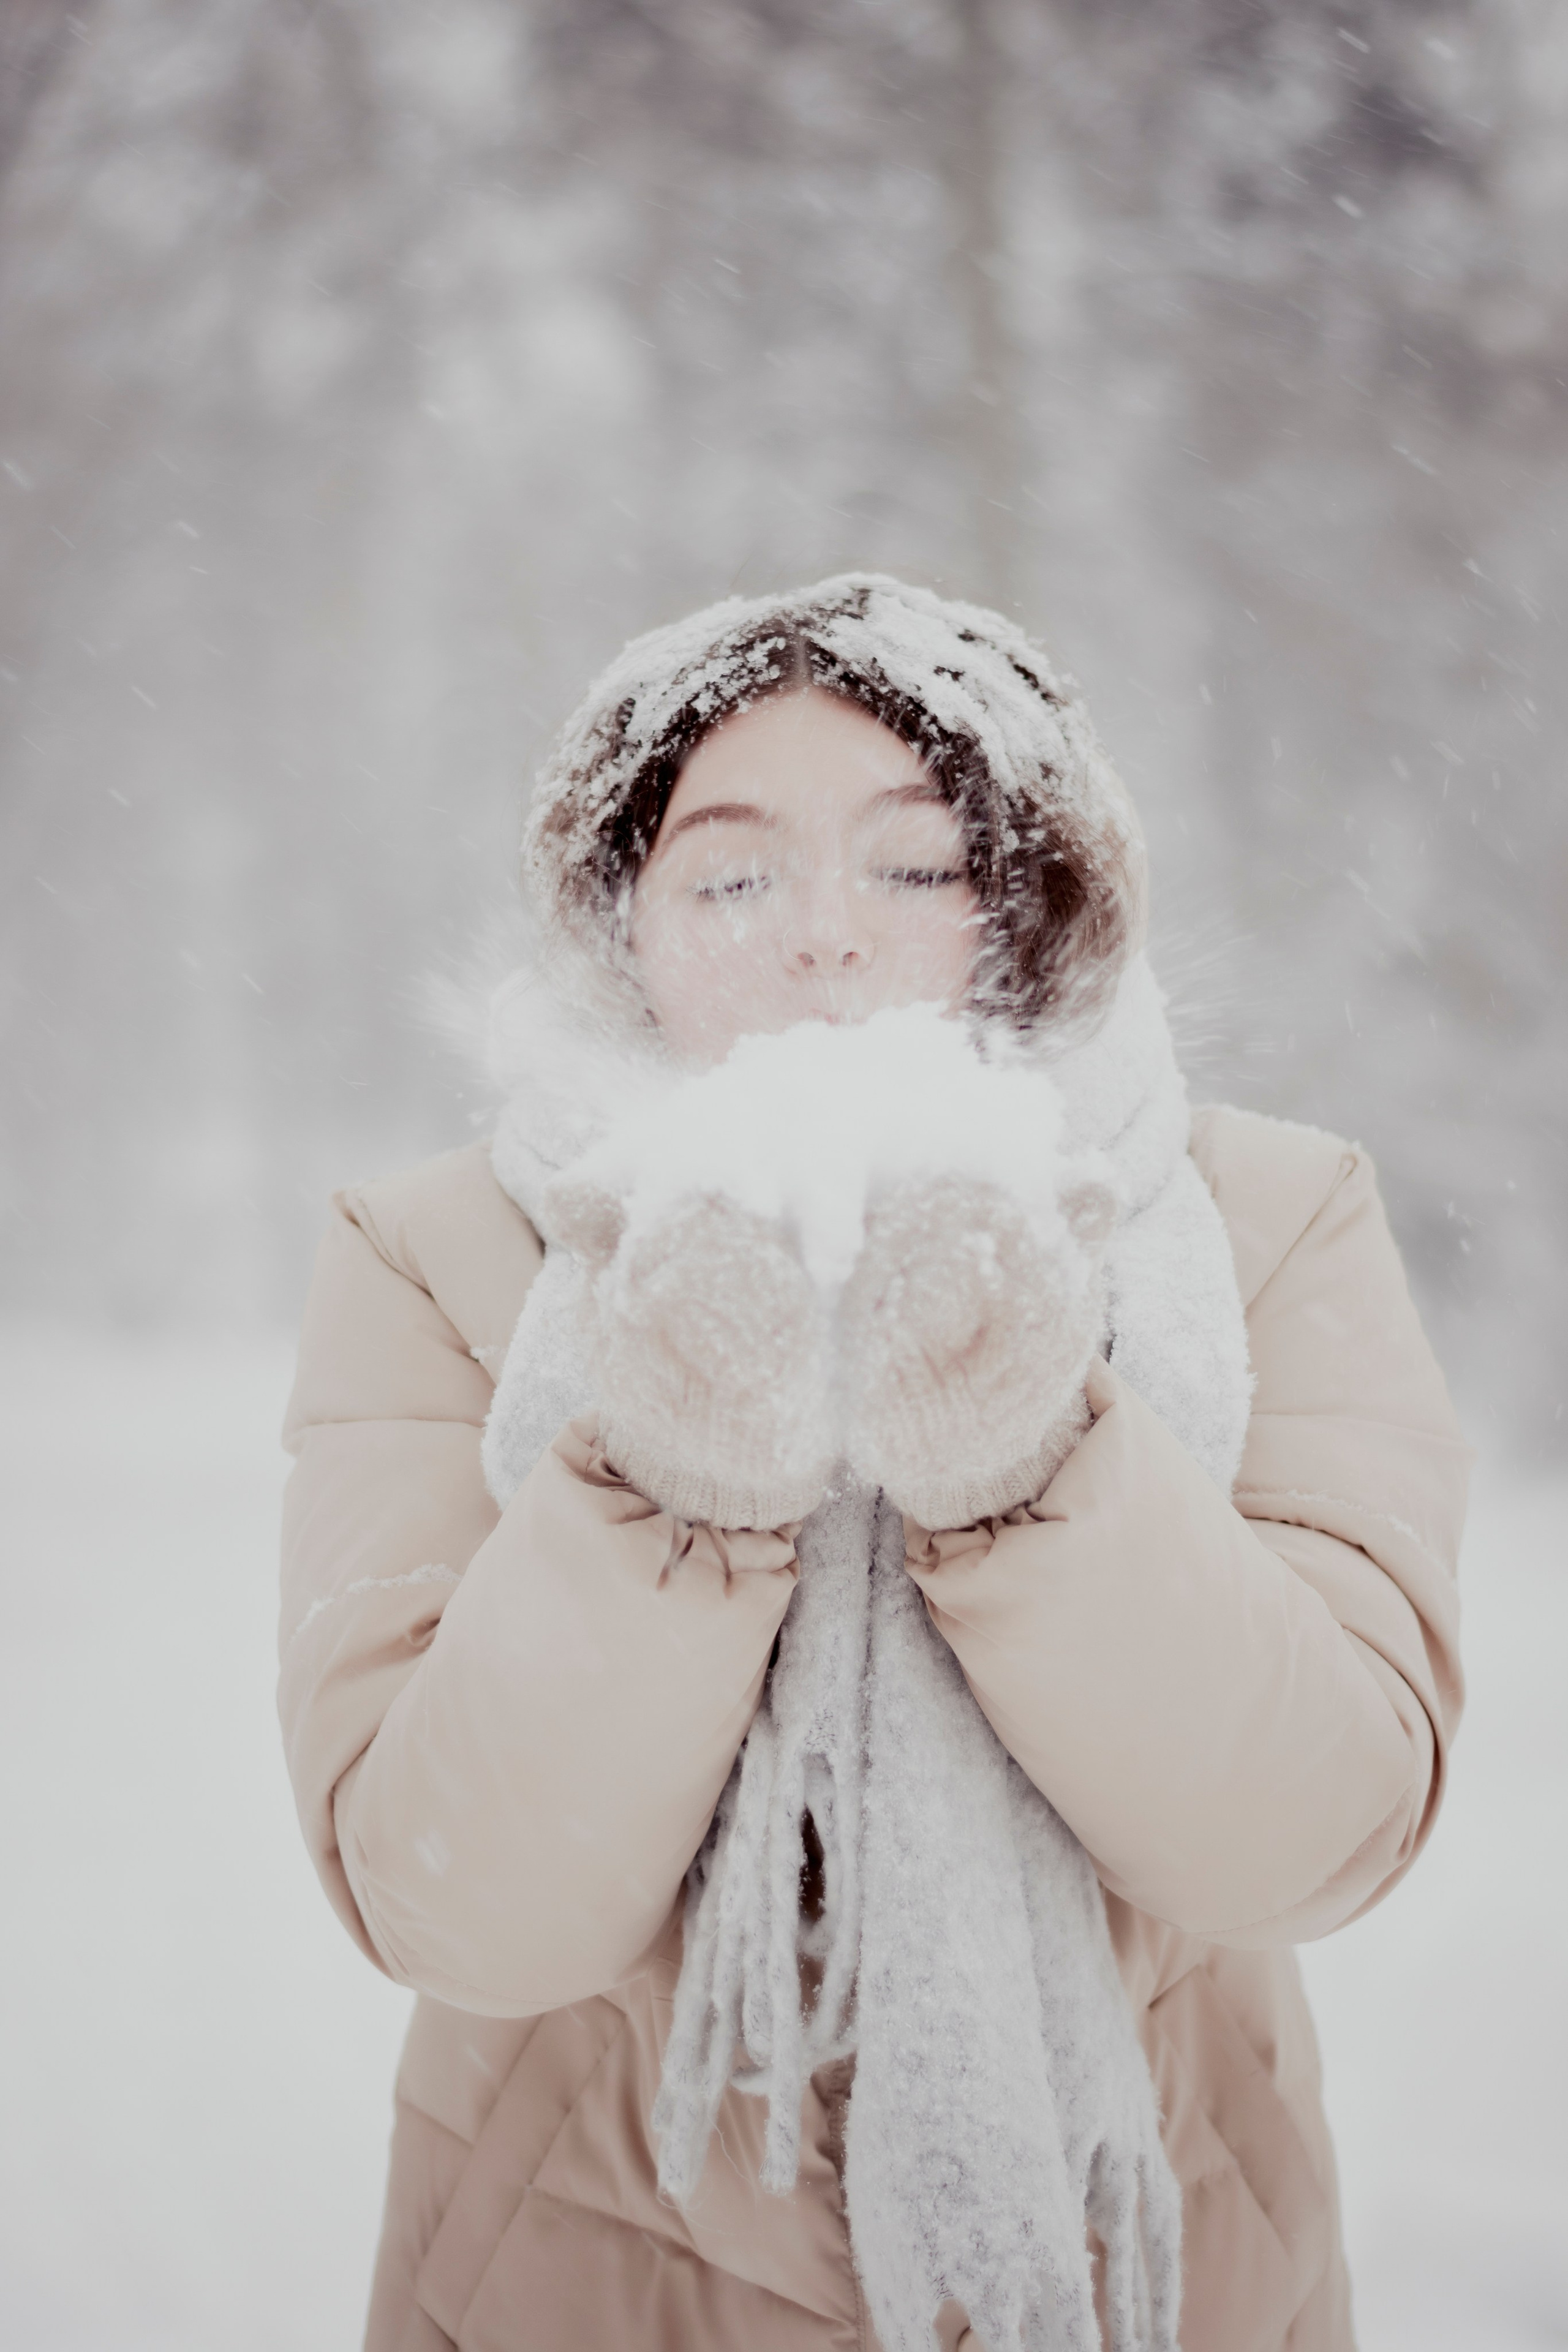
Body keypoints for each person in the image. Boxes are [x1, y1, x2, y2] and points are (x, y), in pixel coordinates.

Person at [278, 575, 1468, 2352]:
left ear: (1034, 901)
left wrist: (1028, 1460)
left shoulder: (1267, 1218)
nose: (825, 937)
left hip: (1169, 2270)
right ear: (626, 927)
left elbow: (1313, 1836)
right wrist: (668, 1474)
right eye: (733, 874)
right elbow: (465, 1905)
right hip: (585, 2281)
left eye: (915, 866)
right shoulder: (442, 1256)